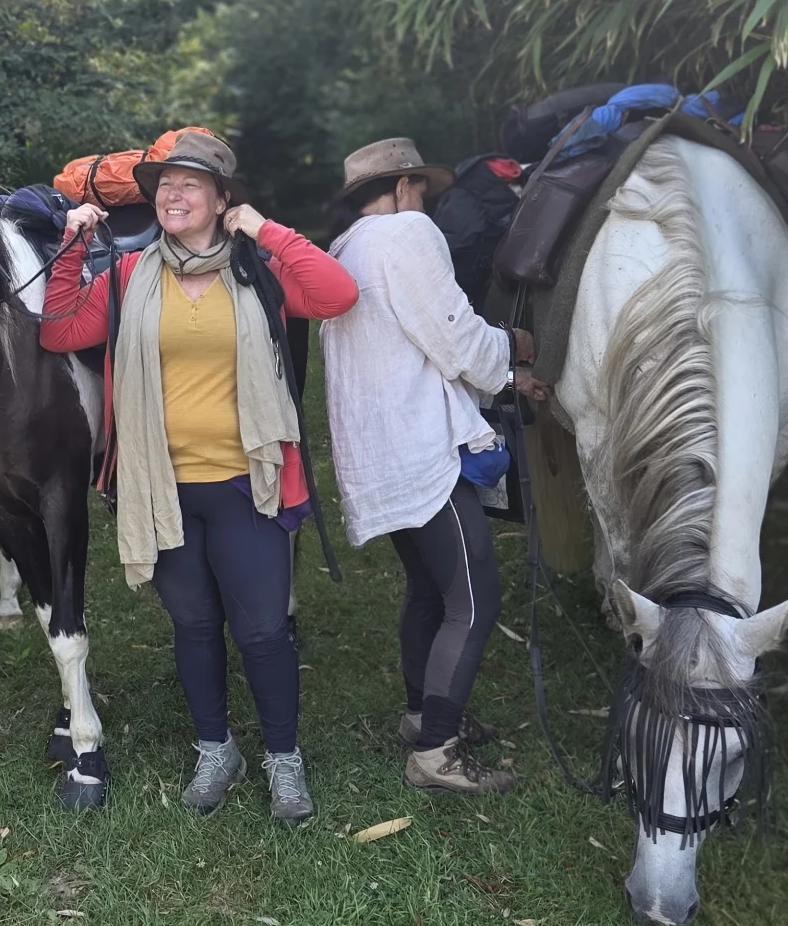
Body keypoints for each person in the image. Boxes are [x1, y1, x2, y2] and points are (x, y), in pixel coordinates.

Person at [40, 130, 359, 825]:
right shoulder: (128, 277)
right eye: (163, 184)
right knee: (193, 625)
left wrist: (268, 228)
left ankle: (284, 759)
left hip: (249, 483)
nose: (172, 194)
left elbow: (336, 293)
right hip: (165, 489)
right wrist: (70, 249)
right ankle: (217, 749)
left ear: (222, 199)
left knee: (265, 630)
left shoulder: (258, 268)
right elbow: (60, 329)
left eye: (190, 183)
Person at [319, 138, 549, 796]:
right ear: (401, 187)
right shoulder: (406, 231)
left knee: (428, 587)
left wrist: (504, 368)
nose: (425, 201)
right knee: (475, 600)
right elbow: (453, 334)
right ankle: (435, 752)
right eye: (421, 189)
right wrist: (511, 352)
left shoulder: (348, 248)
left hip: (377, 449)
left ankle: (424, 711)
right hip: (419, 448)